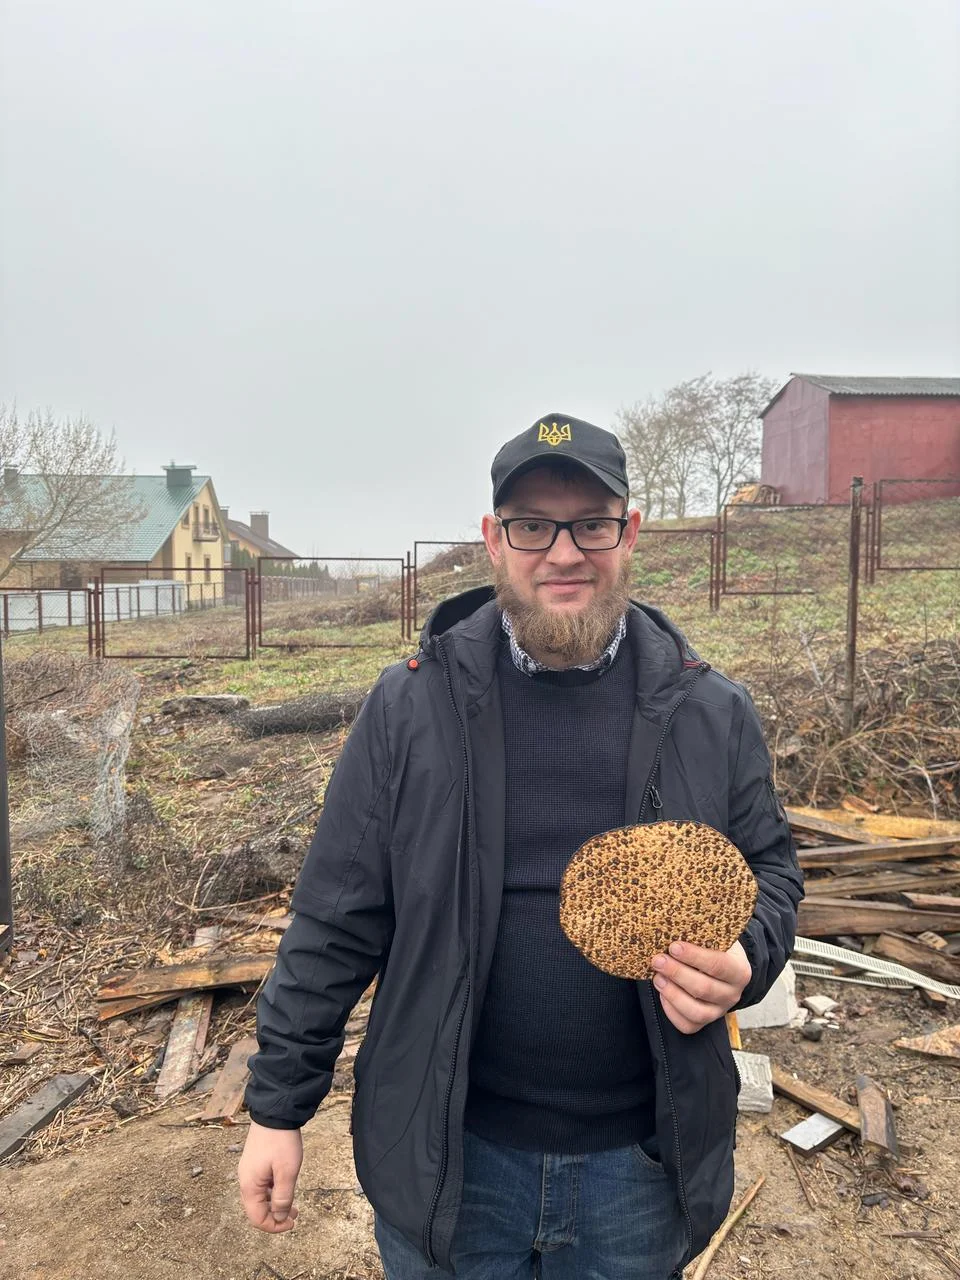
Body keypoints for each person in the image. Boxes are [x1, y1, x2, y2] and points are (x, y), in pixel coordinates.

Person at [238, 414, 804, 1279]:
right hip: (455, 1158)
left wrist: (747, 956)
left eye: (592, 524)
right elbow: (335, 916)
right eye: (533, 526)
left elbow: (771, 870)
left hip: (641, 1163)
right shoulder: (411, 709)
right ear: (493, 542)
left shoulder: (707, 710)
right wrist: (277, 1107)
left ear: (631, 532)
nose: (564, 552)